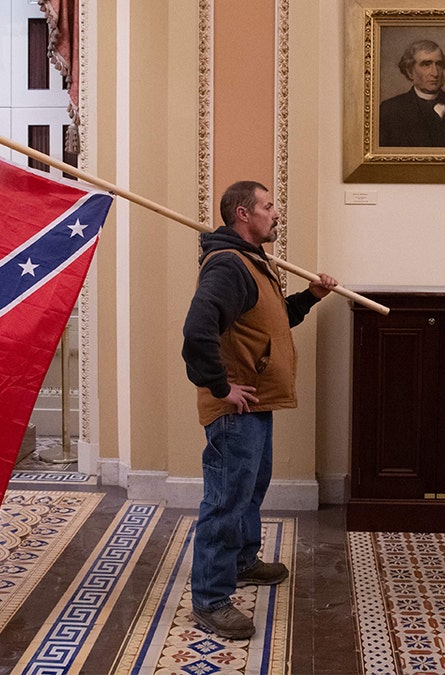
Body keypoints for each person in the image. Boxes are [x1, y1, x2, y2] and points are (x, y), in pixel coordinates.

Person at [181, 180, 337, 640]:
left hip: (257, 403)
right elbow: (196, 331)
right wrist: (219, 385)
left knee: (250, 490)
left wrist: (311, 297)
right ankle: (210, 599)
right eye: (268, 206)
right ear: (244, 215)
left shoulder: (254, 263)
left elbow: (272, 321)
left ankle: (244, 561)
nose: (276, 213)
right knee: (225, 501)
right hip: (236, 410)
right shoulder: (229, 266)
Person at [378, 39, 445, 148]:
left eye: (439, 64)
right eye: (426, 64)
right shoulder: (390, 111)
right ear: (410, 72)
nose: (435, 73)